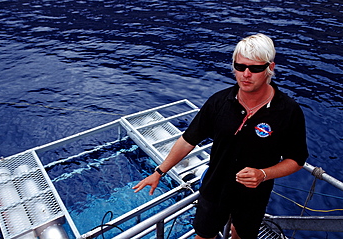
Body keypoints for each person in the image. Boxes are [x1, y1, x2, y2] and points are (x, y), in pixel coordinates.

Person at [132, 33, 308, 239]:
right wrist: (159, 172)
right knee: (204, 235)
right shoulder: (218, 102)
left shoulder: (288, 111)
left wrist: (263, 174)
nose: (246, 74)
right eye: (240, 67)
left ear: (270, 68)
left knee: (241, 235)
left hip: (253, 198)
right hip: (214, 191)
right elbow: (188, 140)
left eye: (255, 68)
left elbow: (297, 159)